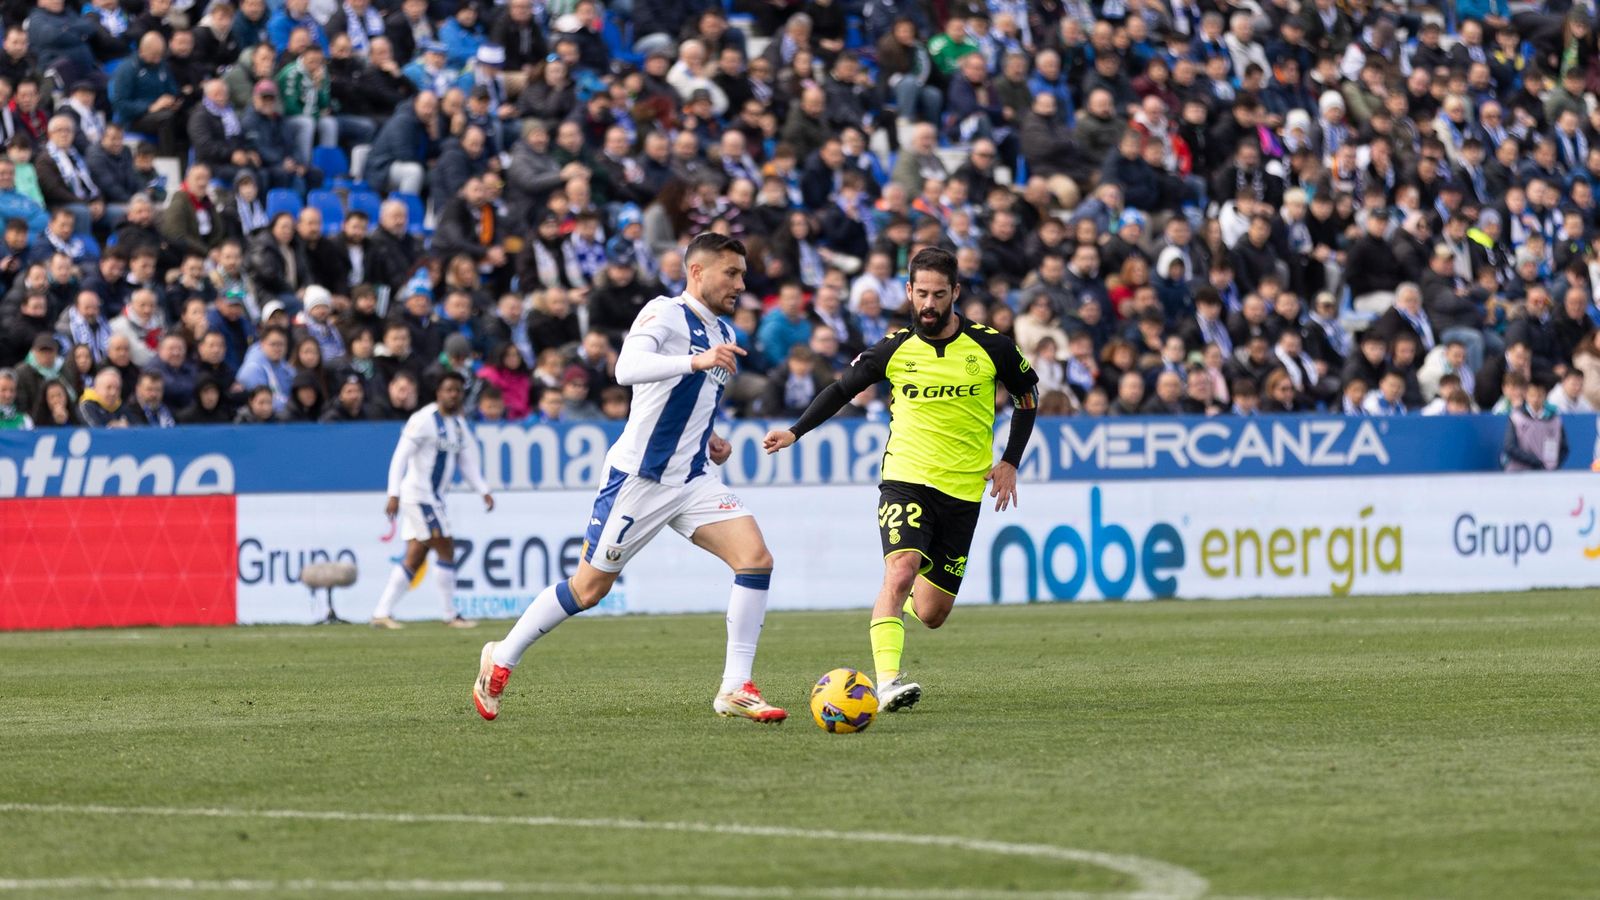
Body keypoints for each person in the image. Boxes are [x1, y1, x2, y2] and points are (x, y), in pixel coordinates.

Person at [474, 233, 785, 724]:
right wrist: (695, 360)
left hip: (693, 478)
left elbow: (688, 401)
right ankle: (502, 656)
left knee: (756, 559)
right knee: (588, 589)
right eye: (732, 273)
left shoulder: (725, 330)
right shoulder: (663, 312)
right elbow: (626, 369)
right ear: (697, 272)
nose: (741, 284)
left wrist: (711, 438)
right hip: (641, 478)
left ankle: (735, 687)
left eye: (743, 274)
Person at [762, 247, 1039, 713]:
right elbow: (840, 389)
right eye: (921, 294)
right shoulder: (894, 348)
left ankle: (897, 612)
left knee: (932, 613)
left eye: (938, 294)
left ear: (955, 292)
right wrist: (795, 431)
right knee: (901, 569)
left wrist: (1010, 460)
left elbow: (1027, 396)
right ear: (909, 291)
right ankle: (886, 682)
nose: (928, 304)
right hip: (906, 478)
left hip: (964, 490)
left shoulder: (992, 345)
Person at [373, 371, 492, 629]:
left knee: (416, 555)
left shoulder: (458, 426)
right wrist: (393, 493)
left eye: (457, 391)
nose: (453, 395)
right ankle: (451, 614)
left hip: (434, 498)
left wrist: (483, 490)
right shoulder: (423, 419)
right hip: (418, 496)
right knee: (446, 546)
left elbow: (466, 462)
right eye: (448, 390)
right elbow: (400, 457)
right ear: (438, 392)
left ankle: (381, 613)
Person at [1502, 377, 1568, 471]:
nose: (1536, 399)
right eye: (1532, 395)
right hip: (1519, 474)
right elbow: (1510, 447)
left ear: (1545, 396)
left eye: (1540, 395)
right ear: (1526, 395)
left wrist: (1552, 466)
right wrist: (1535, 461)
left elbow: (1564, 448)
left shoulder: (1555, 420)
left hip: (1546, 474)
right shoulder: (1516, 417)